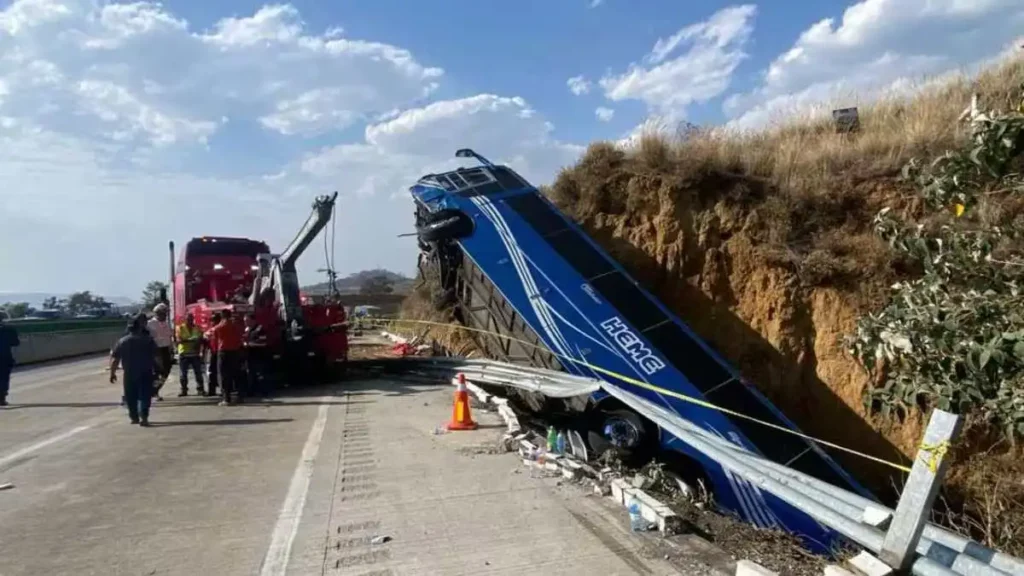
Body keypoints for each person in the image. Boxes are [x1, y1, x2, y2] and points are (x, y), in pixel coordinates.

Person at [110, 313, 157, 426]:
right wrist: (158, 369)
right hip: (146, 372)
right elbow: (157, 356)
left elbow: (115, 359)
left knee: (131, 396)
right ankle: (144, 417)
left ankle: (134, 417)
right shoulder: (148, 340)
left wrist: (112, 373)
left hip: (129, 373)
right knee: (145, 395)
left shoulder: (122, 341)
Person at [211, 309, 244, 406]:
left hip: (224, 351)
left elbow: (215, 337)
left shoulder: (220, 326)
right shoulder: (236, 325)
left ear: (222, 316)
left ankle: (226, 399)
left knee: (224, 375)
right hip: (236, 351)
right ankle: (240, 396)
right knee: (236, 374)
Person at [147, 303, 174, 401]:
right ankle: (153, 391)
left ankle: (154, 390)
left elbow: (169, 337)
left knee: (165, 372)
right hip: (156, 351)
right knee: (158, 372)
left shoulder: (167, 324)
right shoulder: (150, 324)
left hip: (166, 350)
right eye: (163, 313)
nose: (165, 315)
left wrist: (171, 350)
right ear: (157, 313)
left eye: (166, 313)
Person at [176, 312, 205, 397]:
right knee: (183, 374)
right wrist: (192, 341)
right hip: (184, 354)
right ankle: (184, 390)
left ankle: (200, 389)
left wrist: (197, 342)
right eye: (188, 318)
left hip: (195, 354)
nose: (190, 320)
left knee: (198, 373)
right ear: (185, 319)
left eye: (191, 318)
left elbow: (201, 338)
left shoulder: (197, 328)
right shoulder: (180, 328)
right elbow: (179, 340)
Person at [243, 312, 271, 399]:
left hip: (259, 355)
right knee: (250, 374)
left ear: (253, 320)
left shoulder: (260, 329)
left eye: (247, 320)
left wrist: (249, 344)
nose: (245, 323)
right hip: (249, 356)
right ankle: (251, 392)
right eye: (244, 321)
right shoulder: (247, 329)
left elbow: (263, 343)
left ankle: (264, 392)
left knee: (260, 374)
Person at [0, 311, 21, 406]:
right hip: (5, 356)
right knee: (4, 378)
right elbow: (16, 343)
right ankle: (1, 398)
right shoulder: (9, 329)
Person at [204, 312, 222, 397]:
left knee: (221, 372)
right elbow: (205, 336)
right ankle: (212, 390)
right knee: (211, 371)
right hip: (212, 352)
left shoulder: (220, 328)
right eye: (212, 320)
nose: (213, 322)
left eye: (214, 320)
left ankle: (222, 390)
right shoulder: (211, 330)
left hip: (220, 352)